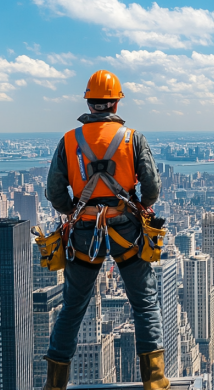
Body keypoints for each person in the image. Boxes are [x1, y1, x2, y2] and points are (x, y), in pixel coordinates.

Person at [43, 70, 169, 390]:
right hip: (127, 229)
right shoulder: (131, 138)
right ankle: (155, 381)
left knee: (73, 306)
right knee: (144, 302)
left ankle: (55, 384)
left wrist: (75, 209)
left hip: (85, 232)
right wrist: (138, 202)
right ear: (115, 101)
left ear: (89, 100)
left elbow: (55, 192)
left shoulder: (69, 140)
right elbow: (152, 186)